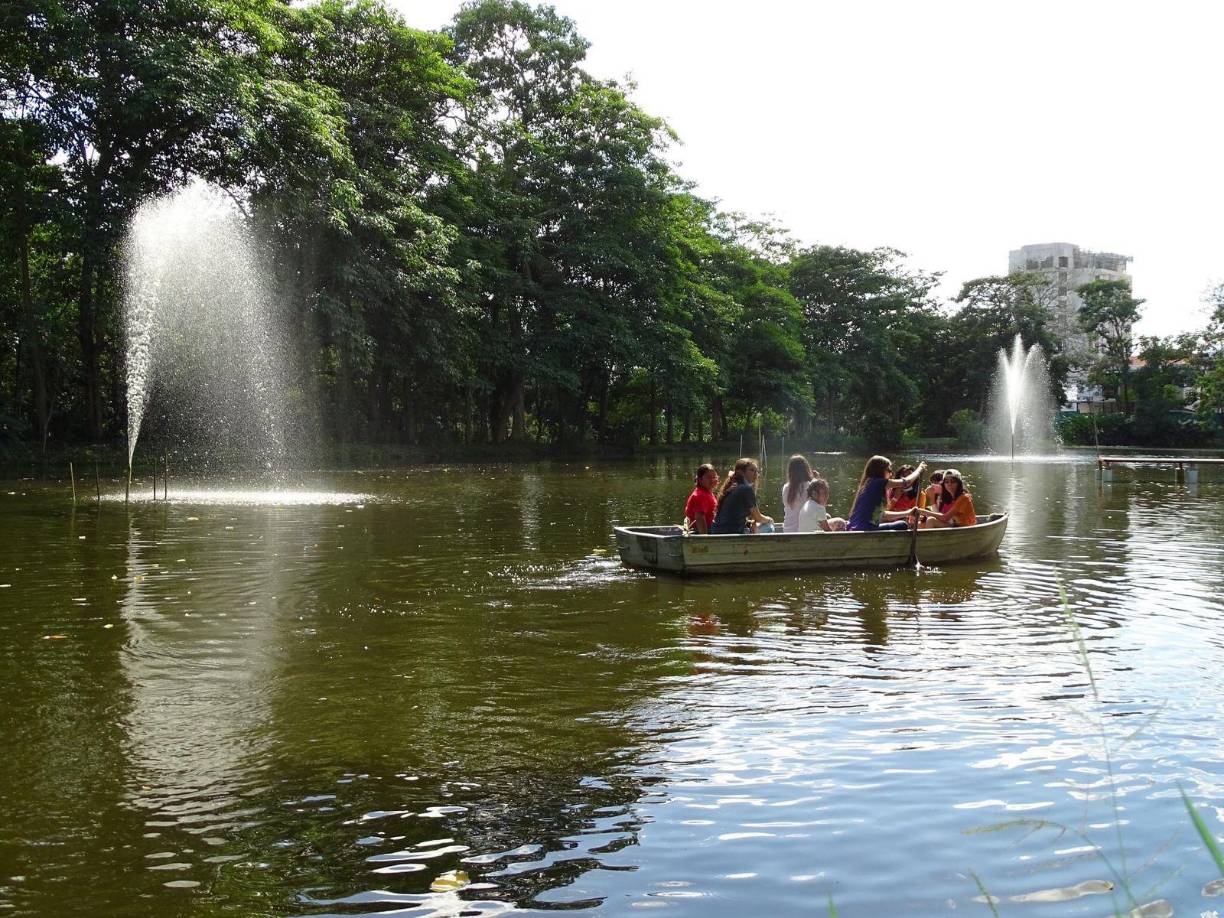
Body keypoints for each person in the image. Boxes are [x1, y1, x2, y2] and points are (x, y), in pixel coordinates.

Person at [846, 455, 926, 532]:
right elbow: (906, 482)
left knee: (901, 523)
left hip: (854, 528)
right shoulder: (878, 482)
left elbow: (883, 515)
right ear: (880, 470)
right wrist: (919, 470)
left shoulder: (868, 485)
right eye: (889, 470)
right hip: (865, 529)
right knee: (903, 525)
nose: (891, 474)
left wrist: (908, 513)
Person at [710, 458, 774, 535]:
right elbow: (758, 518)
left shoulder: (732, 487)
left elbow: (733, 517)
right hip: (731, 533)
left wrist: (748, 523)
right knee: (769, 526)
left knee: (754, 526)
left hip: (717, 531)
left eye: (757, 471)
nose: (756, 474)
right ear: (741, 472)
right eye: (752, 470)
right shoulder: (746, 489)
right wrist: (770, 519)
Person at [781, 454, 816, 532]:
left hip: (787, 530)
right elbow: (820, 505)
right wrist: (816, 480)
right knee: (827, 516)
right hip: (805, 531)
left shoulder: (786, 487)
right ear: (806, 469)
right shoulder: (811, 486)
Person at [684, 463, 720, 534]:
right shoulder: (700, 495)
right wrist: (704, 539)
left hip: (709, 529)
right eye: (709, 477)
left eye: (714, 477)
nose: (712, 480)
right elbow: (699, 518)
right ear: (700, 479)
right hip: (699, 532)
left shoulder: (706, 492)